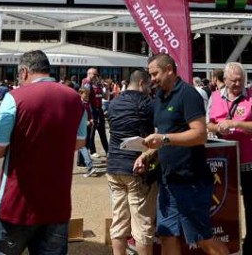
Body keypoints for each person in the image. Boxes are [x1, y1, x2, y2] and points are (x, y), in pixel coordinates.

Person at [0, 50, 86, 255]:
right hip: (57, 203)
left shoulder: (15, 98)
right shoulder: (75, 98)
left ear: (23, 72)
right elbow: (80, 142)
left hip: (17, 203)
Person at [137, 53, 226, 255]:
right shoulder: (159, 96)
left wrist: (165, 139)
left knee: (203, 238)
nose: (152, 79)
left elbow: (200, 134)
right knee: (168, 235)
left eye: (155, 74)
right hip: (168, 181)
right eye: (150, 75)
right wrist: (147, 154)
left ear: (169, 69)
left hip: (191, 181)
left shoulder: (188, 94)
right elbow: (161, 135)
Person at [207, 62, 252, 255]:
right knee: (222, 204)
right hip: (223, 163)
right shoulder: (214, 97)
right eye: (233, 80)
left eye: (240, 80)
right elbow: (208, 123)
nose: (237, 84)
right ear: (224, 80)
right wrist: (218, 128)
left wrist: (235, 124)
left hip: (251, 162)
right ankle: (227, 245)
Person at [105, 69, 156, 255]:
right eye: (149, 85)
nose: (151, 89)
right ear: (142, 83)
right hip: (137, 168)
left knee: (119, 220)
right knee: (142, 224)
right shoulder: (147, 103)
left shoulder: (114, 102)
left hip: (114, 166)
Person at [83, 68, 110, 156]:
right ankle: (92, 151)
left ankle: (107, 151)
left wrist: (107, 88)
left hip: (99, 110)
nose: (96, 77)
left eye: (97, 75)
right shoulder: (86, 84)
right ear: (89, 74)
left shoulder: (99, 86)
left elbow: (106, 97)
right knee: (92, 132)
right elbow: (84, 99)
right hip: (92, 110)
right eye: (95, 75)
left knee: (102, 131)